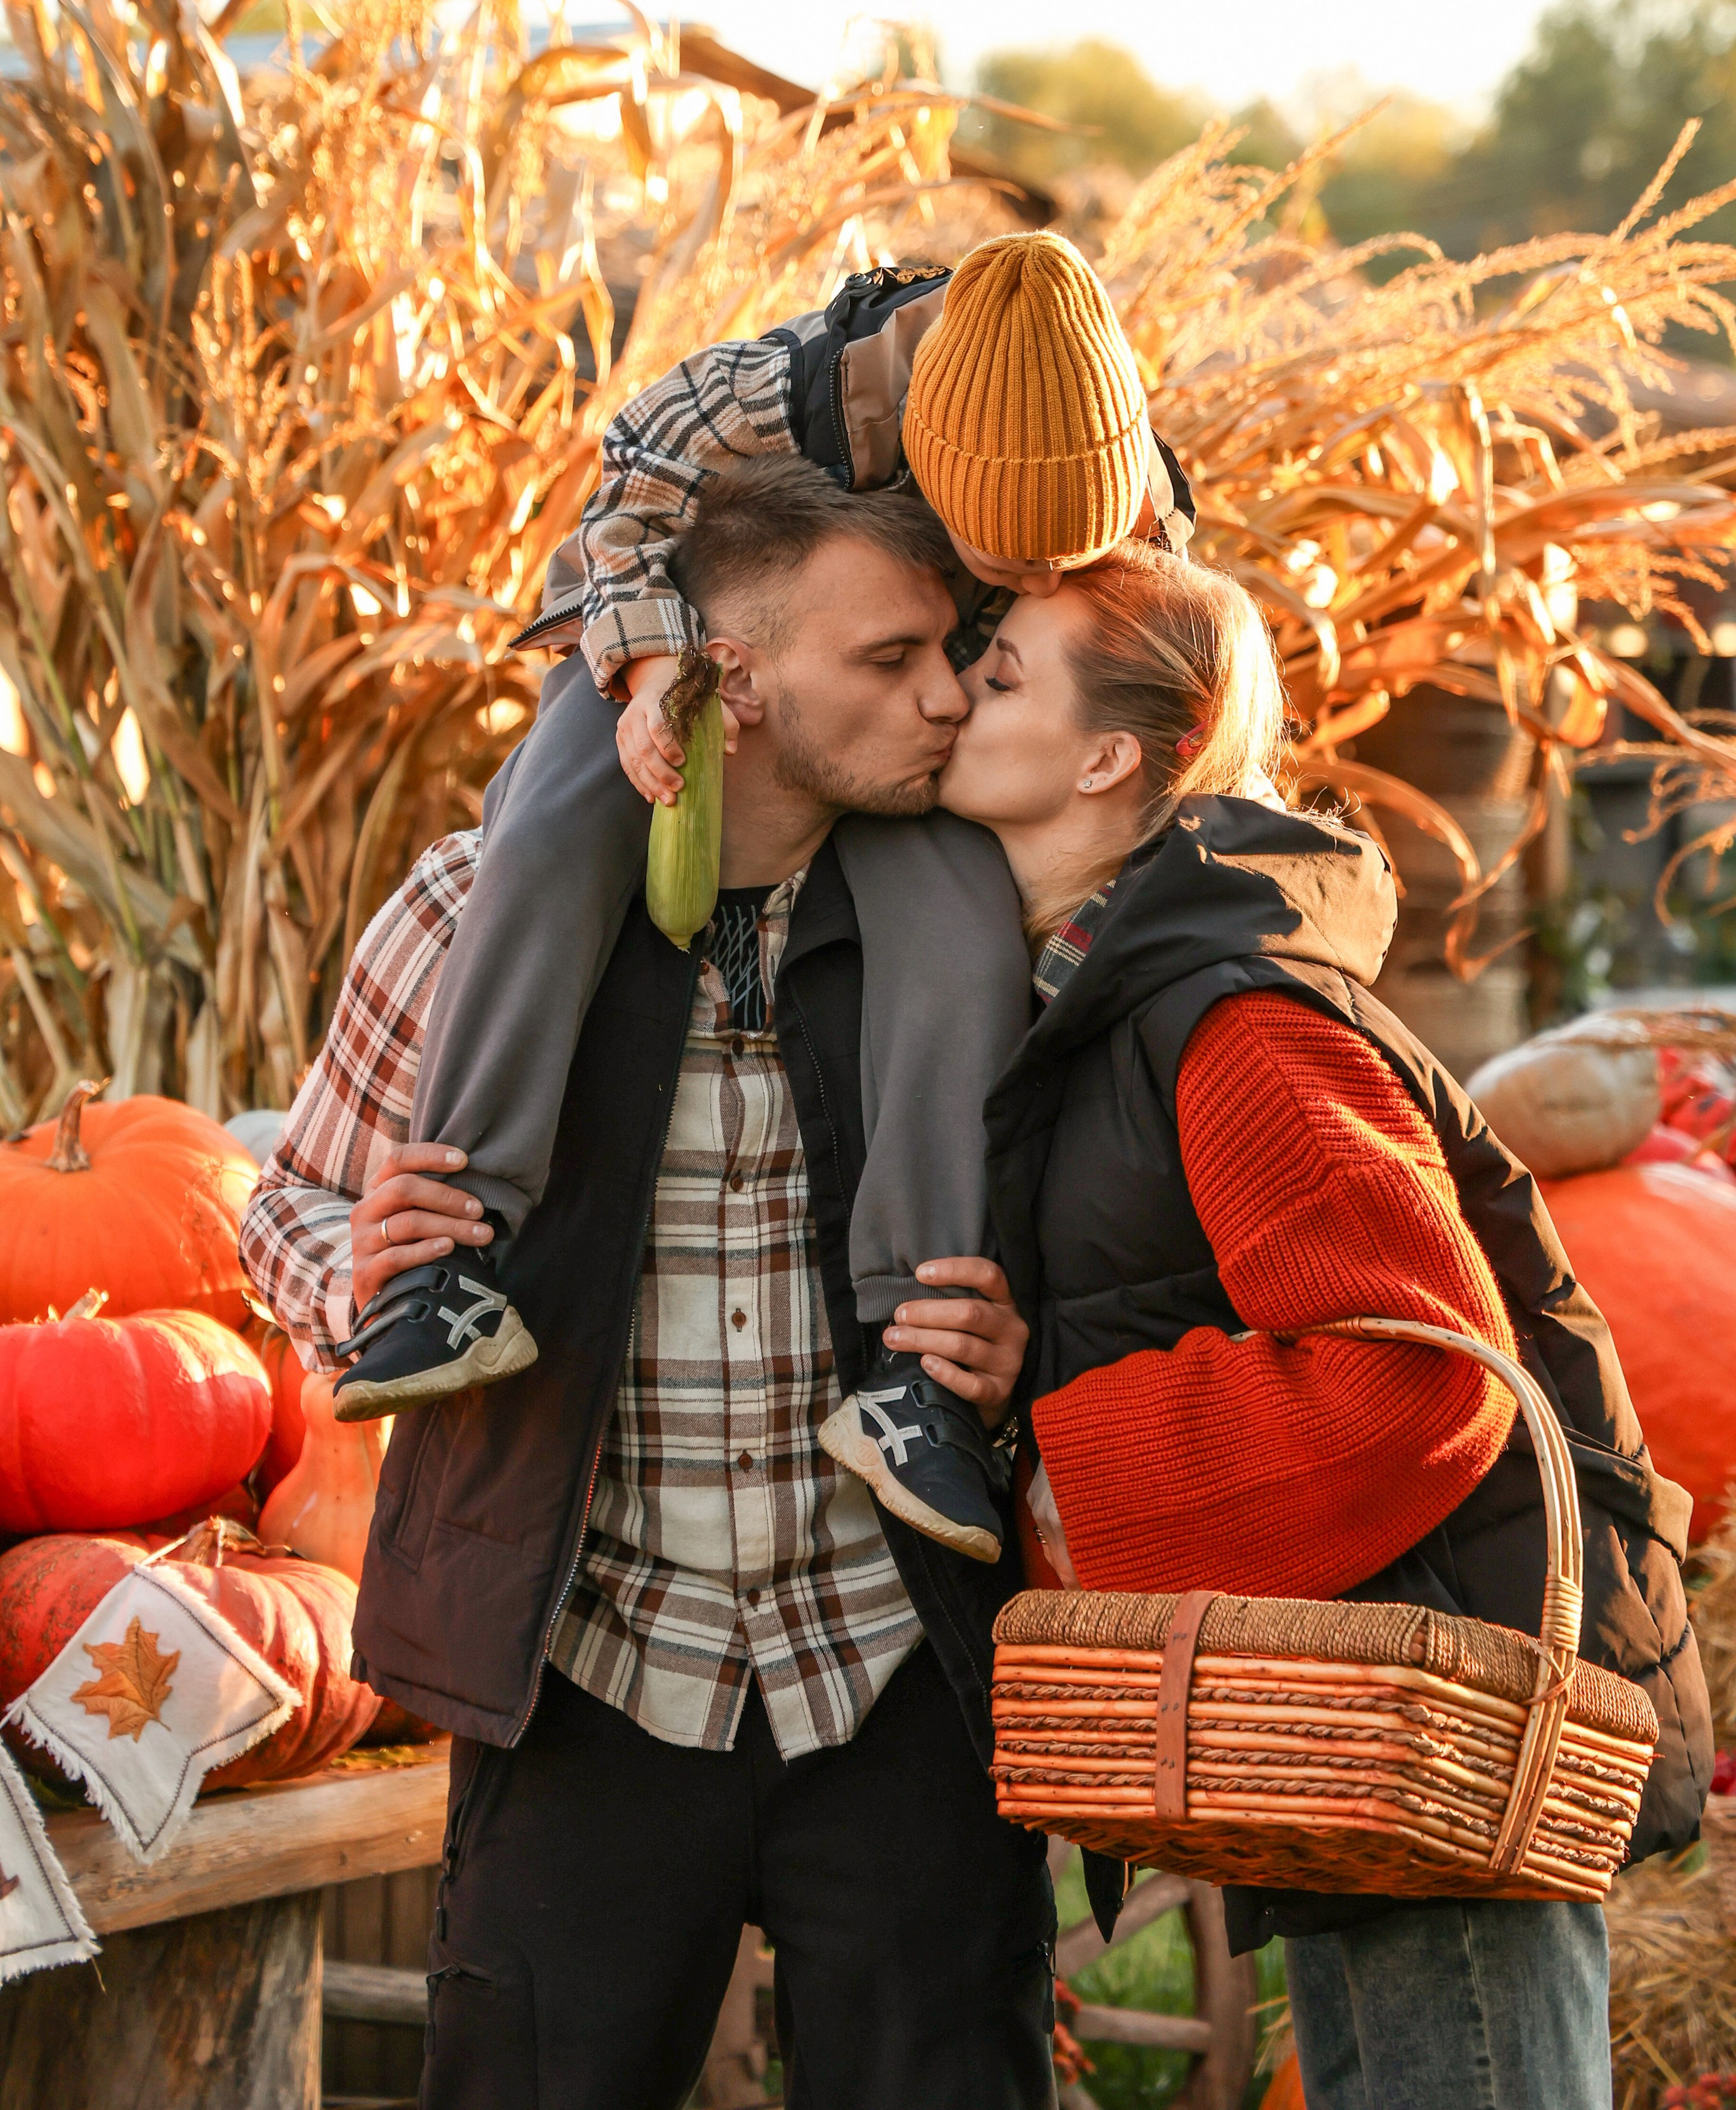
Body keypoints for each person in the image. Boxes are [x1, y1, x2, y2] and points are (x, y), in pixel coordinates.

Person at [241, 460, 1057, 2110]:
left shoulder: (980, 933)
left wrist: (1011, 1350)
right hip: (586, 1679)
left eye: (949, 652)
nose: (945, 696)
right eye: (888, 660)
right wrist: (359, 1262)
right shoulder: (470, 915)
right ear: (734, 684)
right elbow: (286, 1209)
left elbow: (1091, 1251)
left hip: (897, 1677)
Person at [934, 540, 1712, 2110]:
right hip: (1361, 1698)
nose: (954, 689)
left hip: (1439, 1693)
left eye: (999, 669)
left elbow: (1408, 1382)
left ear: (1106, 755)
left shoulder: (1229, 1018)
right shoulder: (1118, 1007)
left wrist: (1056, 1461)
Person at [334, 229, 1192, 1570]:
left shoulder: (1129, 483)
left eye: (1058, 558)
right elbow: (616, 517)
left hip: (877, 700)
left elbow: (1152, 646)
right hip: (669, 636)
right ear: (925, 448)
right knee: (552, 826)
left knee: (957, 916)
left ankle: (917, 1379)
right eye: (1005, 555)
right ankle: (452, 1251)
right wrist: (638, 680)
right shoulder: (761, 396)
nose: (1031, 583)